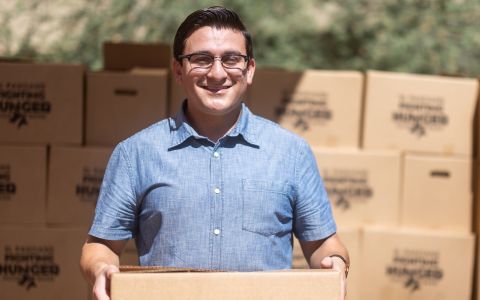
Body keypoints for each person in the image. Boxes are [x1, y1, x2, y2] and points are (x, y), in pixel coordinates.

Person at [80, 6, 349, 300]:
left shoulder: (291, 153)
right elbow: (100, 246)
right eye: (202, 59)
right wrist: (101, 268)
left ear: (250, 70)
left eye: (232, 59)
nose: (217, 73)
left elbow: (323, 244)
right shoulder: (136, 154)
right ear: (178, 70)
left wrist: (335, 263)